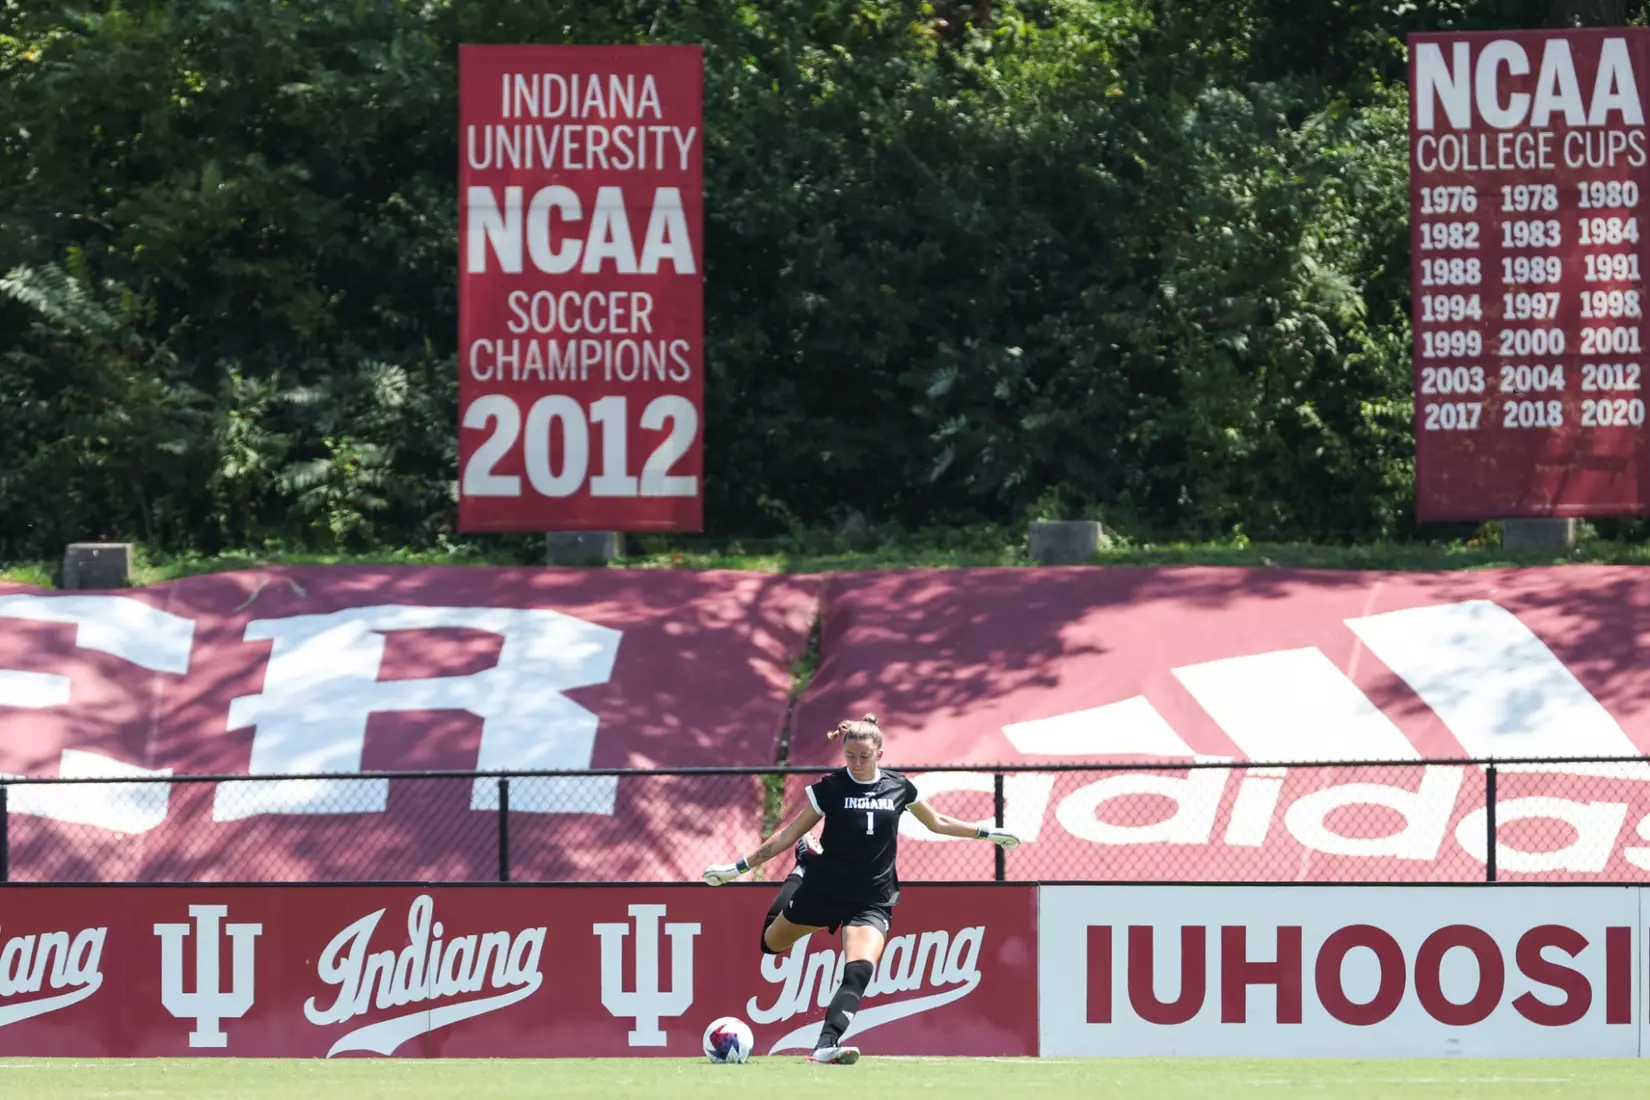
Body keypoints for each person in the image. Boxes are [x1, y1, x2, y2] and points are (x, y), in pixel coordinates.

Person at [702, 713, 1020, 1065]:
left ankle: (825, 1045)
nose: (856, 763)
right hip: (824, 890)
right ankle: (803, 869)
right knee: (770, 944)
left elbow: (938, 822)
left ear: (880, 754)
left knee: (859, 970)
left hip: (872, 900)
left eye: (864, 757)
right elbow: (788, 835)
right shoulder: (831, 789)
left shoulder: (900, 787)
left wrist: (987, 832)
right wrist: (736, 869)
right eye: (850, 756)